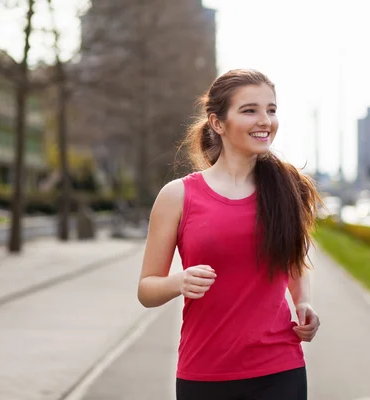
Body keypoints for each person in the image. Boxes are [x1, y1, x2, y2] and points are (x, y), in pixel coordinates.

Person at [137, 69, 321, 400]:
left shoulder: (288, 188)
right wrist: (178, 282)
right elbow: (146, 289)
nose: (265, 120)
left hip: (279, 369)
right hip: (205, 373)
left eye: (272, 109)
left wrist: (303, 301)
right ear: (218, 123)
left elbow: (293, 262)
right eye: (250, 110)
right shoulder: (178, 196)